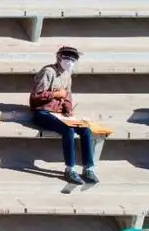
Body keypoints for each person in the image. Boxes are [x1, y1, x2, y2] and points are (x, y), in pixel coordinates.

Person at [30, 46, 99, 184]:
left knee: (85, 130)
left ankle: (88, 168)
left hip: (60, 114)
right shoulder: (48, 72)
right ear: (59, 57)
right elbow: (35, 97)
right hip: (42, 111)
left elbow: (67, 96)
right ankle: (70, 169)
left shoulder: (68, 75)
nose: (70, 61)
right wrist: (55, 94)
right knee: (69, 130)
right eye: (67, 58)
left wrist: (68, 108)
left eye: (73, 59)